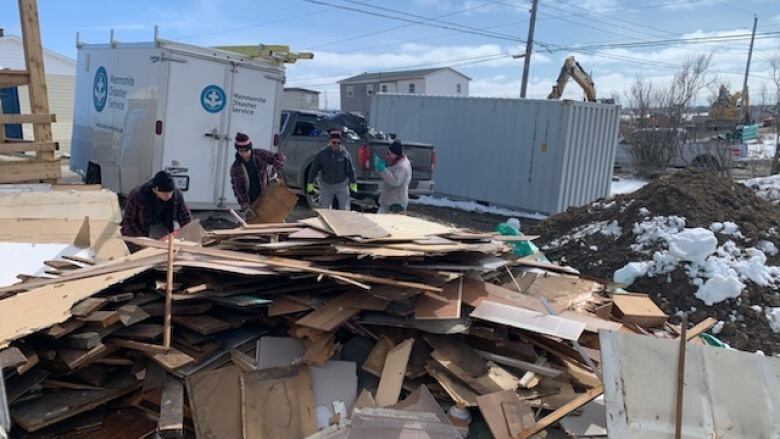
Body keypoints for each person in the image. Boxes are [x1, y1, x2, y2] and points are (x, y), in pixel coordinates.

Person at [121, 171, 192, 246]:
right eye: (165, 194)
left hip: (162, 223)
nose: (169, 196)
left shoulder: (176, 194)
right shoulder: (138, 195)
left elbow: (185, 216)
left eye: (171, 192)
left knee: (163, 246)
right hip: (142, 225)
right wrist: (141, 239)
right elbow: (128, 221)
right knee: (141, 249)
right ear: (155, 190)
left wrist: (189, 233)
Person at [229, 132, 286, 219]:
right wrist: (244, 204)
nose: (244, 154)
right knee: (255, 222)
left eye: (246, 150)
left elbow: (280, 158)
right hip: (252, 200)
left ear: (250, 148)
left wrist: (274, 170)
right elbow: (237, 188)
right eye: (241, 151)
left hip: (266, 195)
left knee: (272, 218)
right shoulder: (236, 168)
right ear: (238, 150)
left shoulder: (260, 155)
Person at [306, 131, 357, 210]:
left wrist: (353, 187)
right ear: (329, 142)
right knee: (325, 210)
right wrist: (310, 185)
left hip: (341, 186)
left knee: (345, 210)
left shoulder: (345, 155)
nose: (336, 144)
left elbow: (350, 171)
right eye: (334, 142)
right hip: (326, 186)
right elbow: (314, 170)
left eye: (338, 143)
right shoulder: (322, 154)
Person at [373, 139, 412, 213]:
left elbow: (395, 182)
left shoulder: (402, 166)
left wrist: (383, 169)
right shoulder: (395, 163)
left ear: (395, 154)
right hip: (388, 201)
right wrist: (380, 169)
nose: (387, 156)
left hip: (396, 204)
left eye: (389, 153)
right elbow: (387, 176)